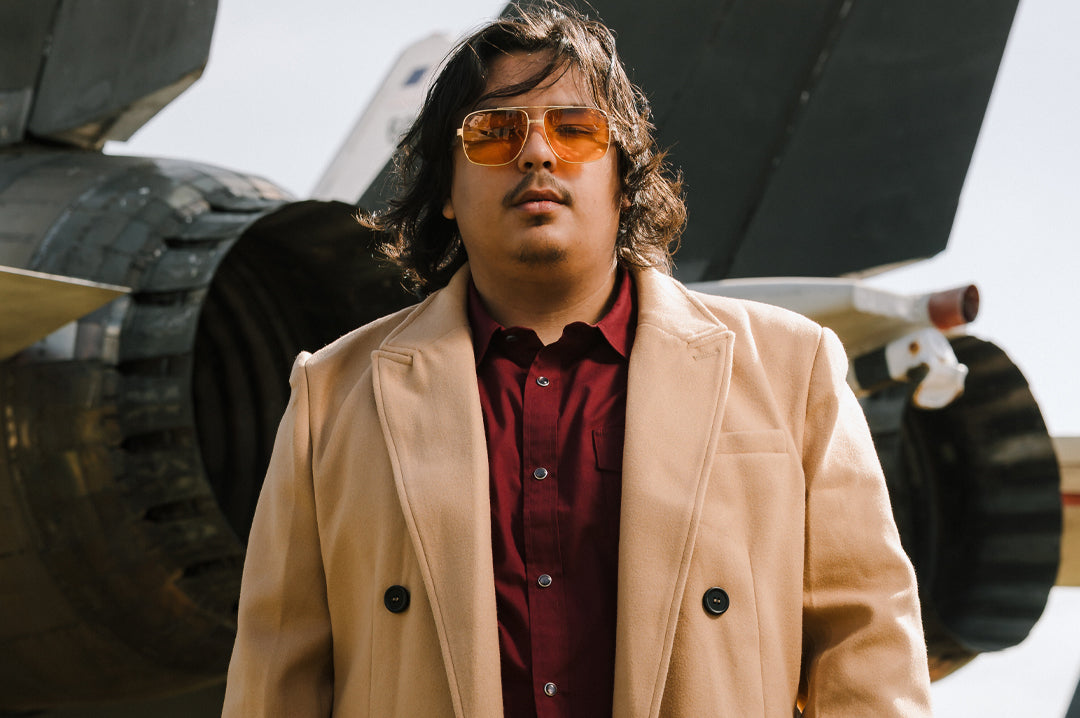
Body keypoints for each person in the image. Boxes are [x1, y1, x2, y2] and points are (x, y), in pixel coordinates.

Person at [222, 3, 933, 716]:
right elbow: (275, 679)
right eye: (494, 133)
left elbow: (866, 641)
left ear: (623, 174)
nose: (537, 153)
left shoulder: (791, 367)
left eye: (574, 129)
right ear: (444, 190)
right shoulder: (332, 397)